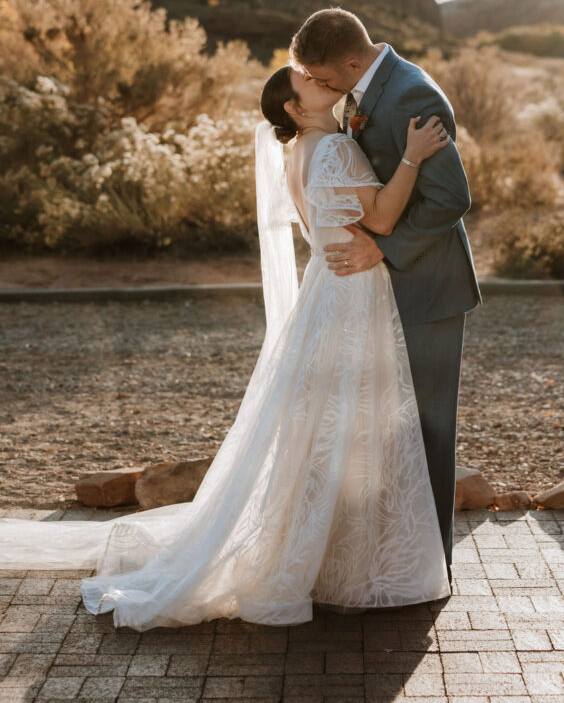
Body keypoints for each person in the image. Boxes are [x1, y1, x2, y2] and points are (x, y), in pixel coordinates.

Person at [0, 56, 453, 630]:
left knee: (322, 428)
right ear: (294, 107)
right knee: (349, 422)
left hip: (327, 290)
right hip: (351, 295)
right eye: (306, 81)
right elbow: (384, 220)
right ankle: (352, 562)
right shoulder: (334, 149)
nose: (319, 80)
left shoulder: (300, 152)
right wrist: (413, 156)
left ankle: (331, 556)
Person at [290, 8, 483, 570]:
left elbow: (450, 198)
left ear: (352, 62)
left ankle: (430, 566)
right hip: (379, 290)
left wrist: (382, 249)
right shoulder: (367, 88)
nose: (323, 88)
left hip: (426, 287)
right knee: (385, 426)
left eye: (326, 78)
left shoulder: (411, 95)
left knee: (427, 428)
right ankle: (390, 556)